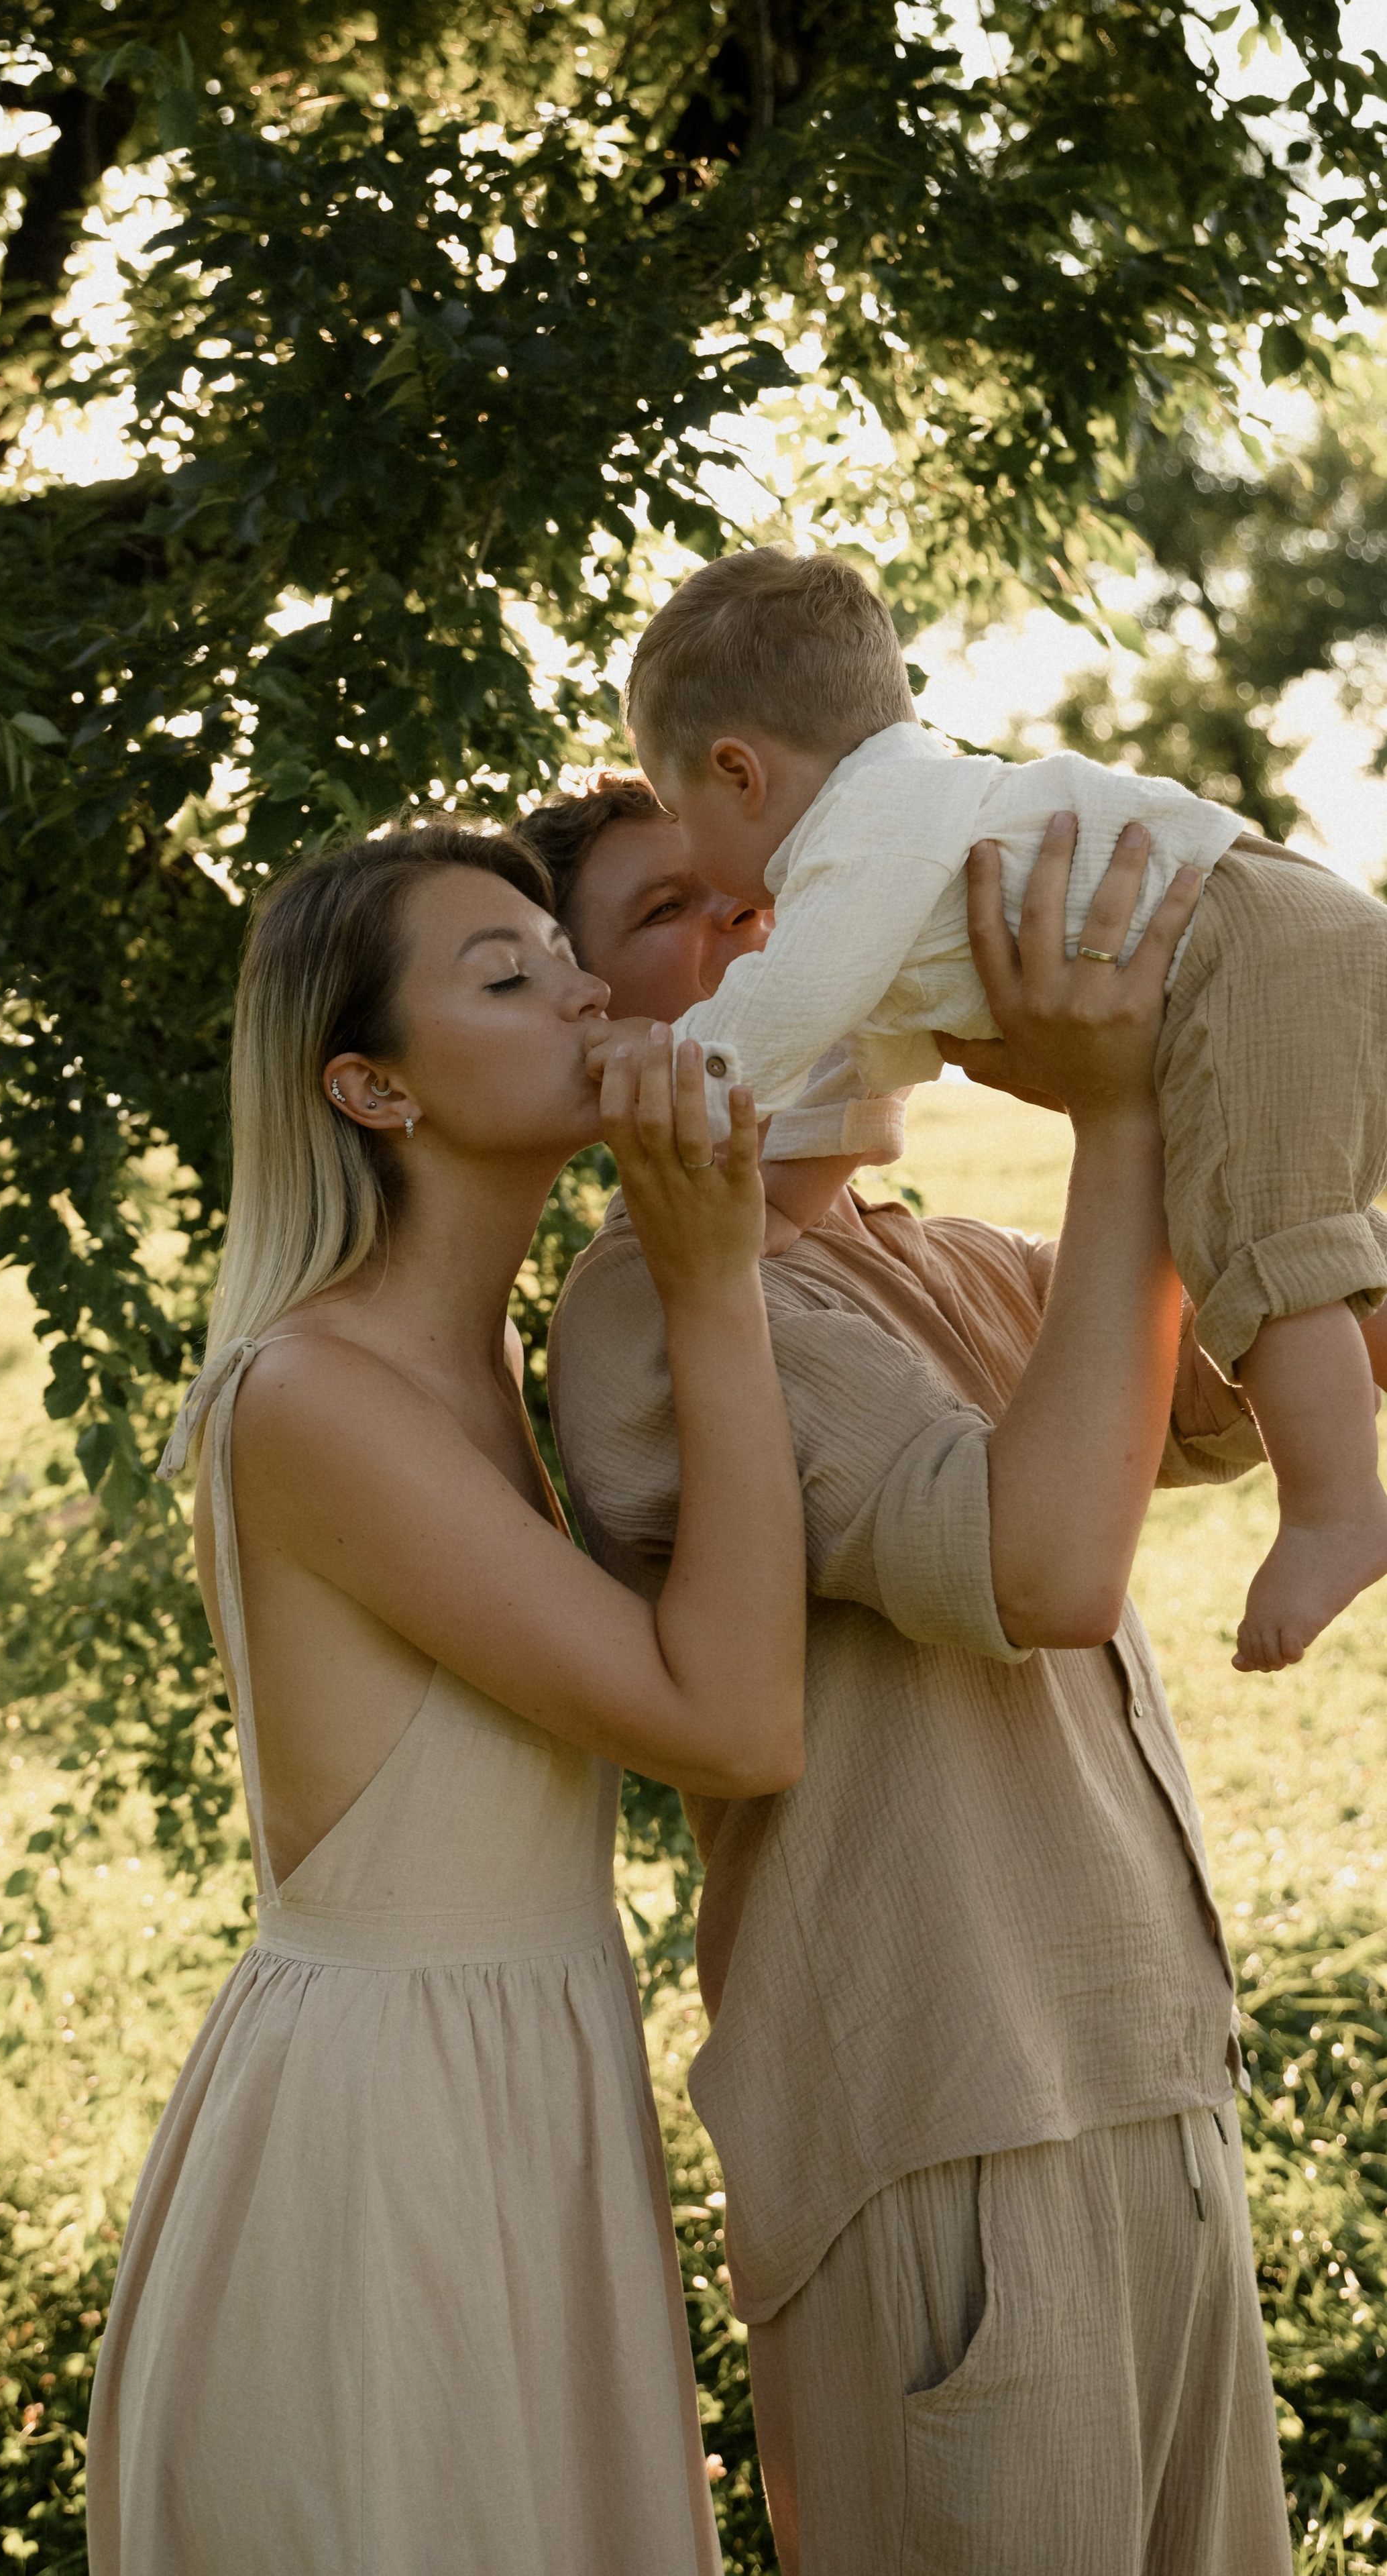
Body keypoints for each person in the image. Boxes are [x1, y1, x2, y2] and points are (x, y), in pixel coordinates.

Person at [548, 795, 1293, 2575]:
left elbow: (1220, 1391)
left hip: (1145, 2076)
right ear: (595, 1030)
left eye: (771, 887)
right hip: (937, 2133)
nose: (753, 923)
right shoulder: (655, 1308)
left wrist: (1242, 1044)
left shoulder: (945, 1256)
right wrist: (1114, 1116)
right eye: (673, 910)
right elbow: (1038, 1566)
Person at [85, 820, 808, 2576]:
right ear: (375, 1090)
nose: (576, 985)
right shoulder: (319, 1399)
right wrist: (710, 1281)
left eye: (558, 950)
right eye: (504, 975)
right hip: (386, 2150)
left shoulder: (488, 1349)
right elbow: (729, 1724)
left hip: (522, 2091)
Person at [617, 543, 1387, 1672]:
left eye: (677, 820)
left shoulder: (869, 831)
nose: (714, 884)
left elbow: (774, 1019)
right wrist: (775, 1204)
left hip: (1256, 943)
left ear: (740, 774)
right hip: (1277, 941)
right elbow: (855, 1071)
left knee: (1267, 1238)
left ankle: (1337, 1510)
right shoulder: (899, 854)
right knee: (1281, 1237)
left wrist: (646, 1072)